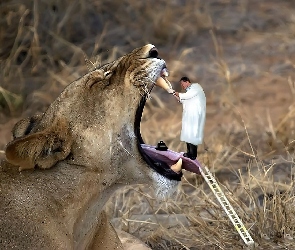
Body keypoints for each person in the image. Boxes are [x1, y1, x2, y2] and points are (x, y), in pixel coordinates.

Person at [172, 76, 206, 160]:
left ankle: (193, 155)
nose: (182, 86)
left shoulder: (196, 87)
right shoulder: (189, 92)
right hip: (189, 115)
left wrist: (175, 92)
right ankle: (189, 153)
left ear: (187, 82)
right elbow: (182, 100)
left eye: (182, 84)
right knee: (188, 134)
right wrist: (173, 94)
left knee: (193, 134)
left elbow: (186, 96)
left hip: (195, 115)